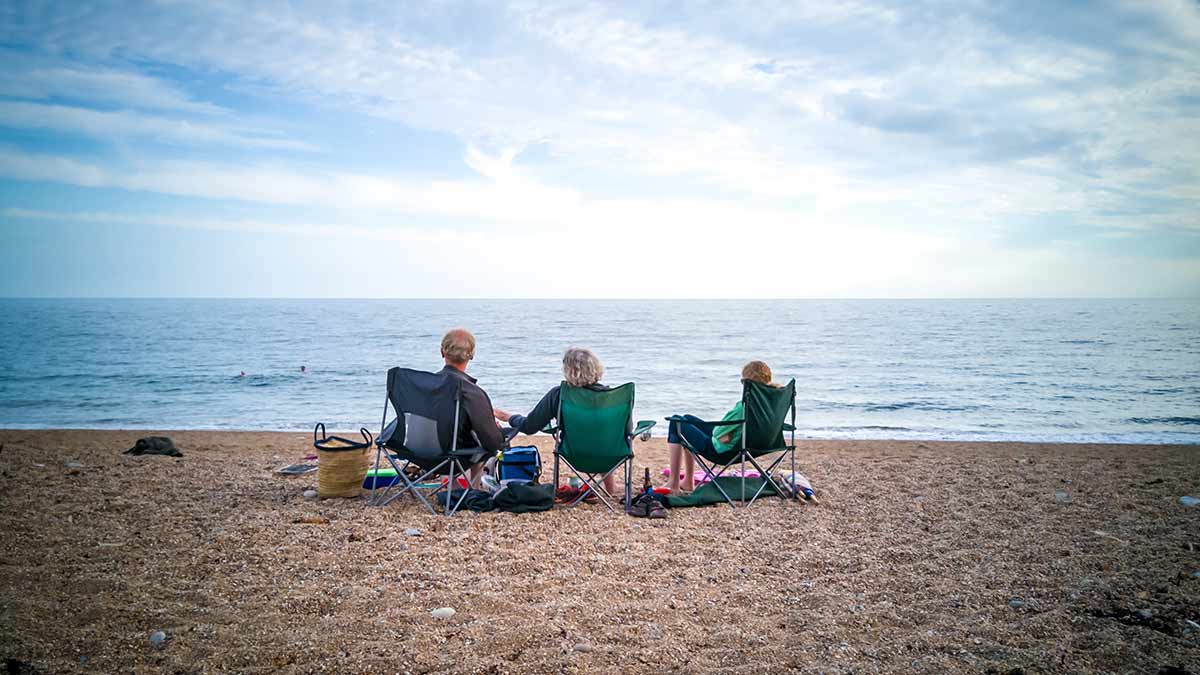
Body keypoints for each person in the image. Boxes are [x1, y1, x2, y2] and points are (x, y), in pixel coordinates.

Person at [494, 347, 621, 496]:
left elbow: (529, 427)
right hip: (613, 454)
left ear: (568, 370)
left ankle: (609, 487)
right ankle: (610, 488)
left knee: (591, 438)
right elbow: (623, 430)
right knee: (600, 436)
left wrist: (508, 417)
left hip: (575, 454)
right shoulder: (613, 397)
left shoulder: (559, 394)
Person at [666, 360, 775, 494]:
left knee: (676, 421)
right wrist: (729, 434)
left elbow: (717, 433)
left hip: (723, 451)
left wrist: (726, 434)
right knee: (687, 418)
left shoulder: (744, 407)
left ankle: (674, 483)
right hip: (748, 447)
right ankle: (688, 481)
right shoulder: (770, 405)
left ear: (747, 383)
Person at [438, 328, 505, 486]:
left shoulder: (424, 384)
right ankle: (472, 490)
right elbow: (492, 442)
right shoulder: (471, 392)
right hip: (455, 456)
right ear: (472, 355)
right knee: (488, 441)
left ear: (442, 352)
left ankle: (453, 486)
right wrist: (498, 433)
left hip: (420, 453)